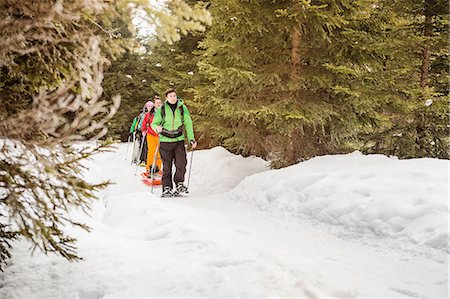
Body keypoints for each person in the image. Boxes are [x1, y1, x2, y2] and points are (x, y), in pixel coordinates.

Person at [151, 89, 197, 197]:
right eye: (170, 96)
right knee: (167, 166)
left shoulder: (182, 108)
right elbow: (154, 123)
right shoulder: (162, 109)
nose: (173, 97)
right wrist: (157, 128)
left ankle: (179, 183)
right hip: (165, 141)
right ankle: (167, 187)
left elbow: (188, 123)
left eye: (174, 95)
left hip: (178, 140)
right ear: (166, 98)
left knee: (181, 163)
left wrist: (191, 139)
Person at [141, 96, 162, 177]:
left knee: (160, 153)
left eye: (160, 103)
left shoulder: (164, 113)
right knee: (151, 151)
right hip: (151, 134)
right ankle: (149, 168)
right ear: (154, 104)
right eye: (157, 103)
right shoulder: (150, 113)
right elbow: (144, 122)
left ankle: (158, 168)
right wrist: (143, 130)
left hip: (160, 135)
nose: (158, 105)